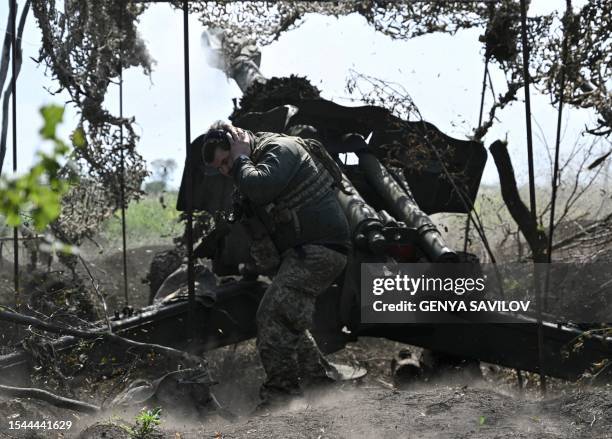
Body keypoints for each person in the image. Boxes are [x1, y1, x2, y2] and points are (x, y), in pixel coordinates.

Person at [201, 121, 351, 408]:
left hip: (321, 249)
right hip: (305, 252)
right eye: (220, 167)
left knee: (271, 313)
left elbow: (260, 188)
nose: (225, 169)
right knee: (287, 317)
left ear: (237, 142)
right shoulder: (251, 167)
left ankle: (281, 395)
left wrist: (242, 157)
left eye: (226, 160)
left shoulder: (279, 149)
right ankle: (320, 385)